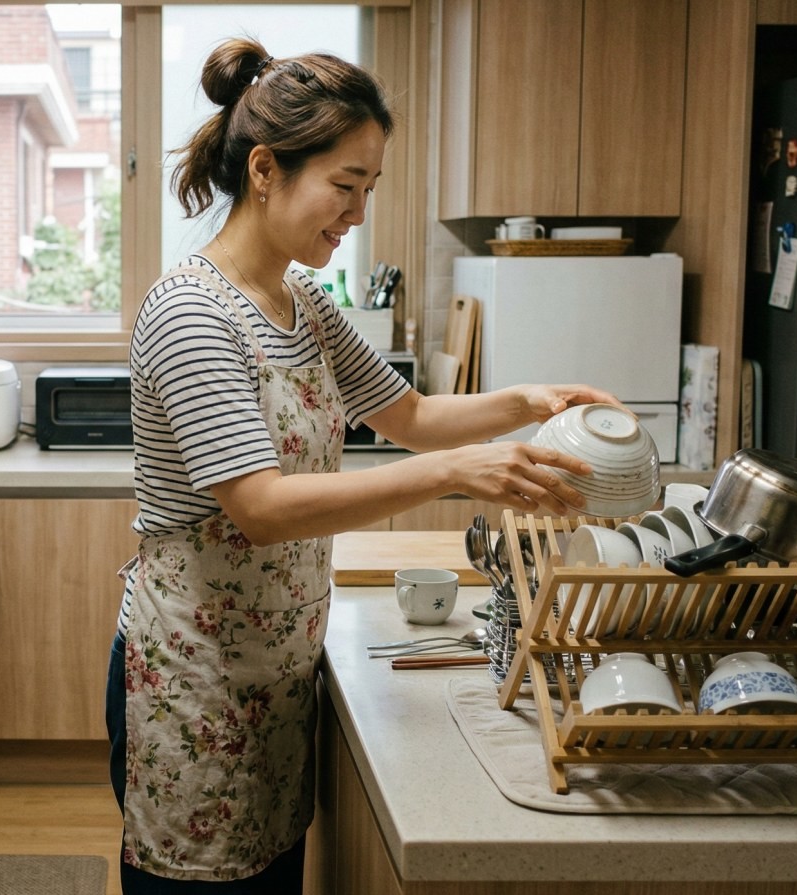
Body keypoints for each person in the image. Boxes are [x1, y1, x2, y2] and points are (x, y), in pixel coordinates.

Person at [105, 37, 619, 893]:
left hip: (278, 668)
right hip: (193, 681)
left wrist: (531, 400)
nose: (357, 211)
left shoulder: (303, 301)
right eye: (344, 185)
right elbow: (262, 507)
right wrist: (457, 473)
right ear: (264, 169)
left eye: (370, 188)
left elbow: (410, 416)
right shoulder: (192, 313)